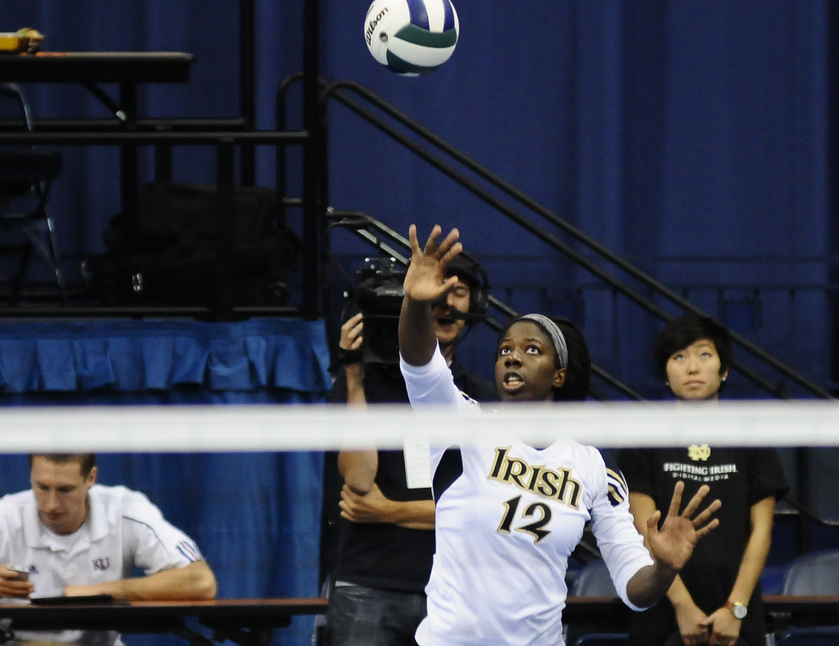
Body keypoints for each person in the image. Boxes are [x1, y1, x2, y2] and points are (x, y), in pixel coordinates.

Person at [396, 223, 721, 646]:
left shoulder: (593, 468)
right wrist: (415, 303)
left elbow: (634, 589)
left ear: (559, 375)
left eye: (531, 350)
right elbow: (420, 367)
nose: (512, 357)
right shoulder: (462, 425)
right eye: (505, 350)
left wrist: (664, 569)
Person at [321, 253, 498, 646]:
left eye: (459, 292)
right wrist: (354, 379)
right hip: (369, 583)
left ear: (476, 304)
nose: (446, 303)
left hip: (455, 587)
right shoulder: (360, 386)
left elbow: (485, 508)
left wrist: (388, 510)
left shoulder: (482, 397)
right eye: (437, 291)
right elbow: (359, 481)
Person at [617, 313, 789, 646]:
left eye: (704, 354)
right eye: (679, 357)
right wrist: (682, 606)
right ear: (665, 373)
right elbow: (643, 529)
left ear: (724, 370)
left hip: (736, 612)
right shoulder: (642, 438)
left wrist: (735, 608)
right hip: (662, 607)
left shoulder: (752, 436)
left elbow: (762, 531)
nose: (692, 368)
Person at [0, 453, 217, 646]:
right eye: (42, 487)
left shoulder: (127, 511)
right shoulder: (5, 517)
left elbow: (200, 581)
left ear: (90, 478)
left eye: (65, 490)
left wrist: (100, 592)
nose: (51, 504)